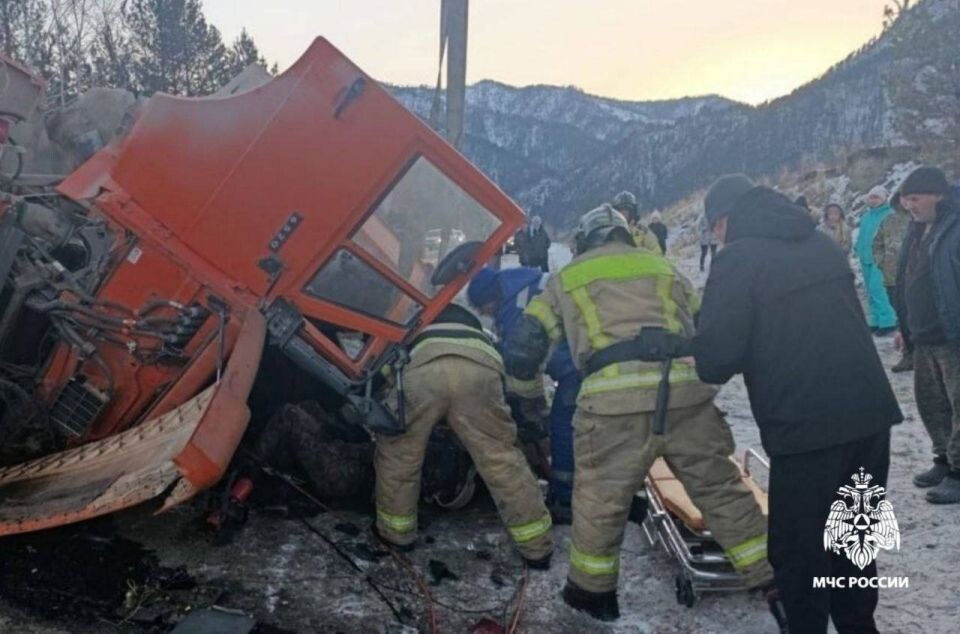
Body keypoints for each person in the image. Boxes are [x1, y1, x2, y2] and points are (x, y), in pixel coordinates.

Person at [503, 204, 775, 622]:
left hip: (612, 406)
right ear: (624, 236)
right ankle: (768, 573)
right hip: (684, 394)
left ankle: (592, 595)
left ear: (584, 241)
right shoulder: (664, 267)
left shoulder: (567, 277)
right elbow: (711, 324)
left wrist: (528, 401)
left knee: (601, 499)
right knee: (719, 487)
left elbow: (525, 346)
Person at [694, 174, 903, 634]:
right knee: (853, 542)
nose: (716, 238)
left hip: (805, 426)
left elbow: (714, 361)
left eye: (714, 228)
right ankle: (858, 627)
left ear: (726, 220)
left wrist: (699, 326)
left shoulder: (738, 260)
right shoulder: (820, 244)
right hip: (869, 416)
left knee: (799, 550)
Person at [373, 304, 554, 567]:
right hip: (478, 373)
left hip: (424, 371)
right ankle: (537, 548)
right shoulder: (482, 338)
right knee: (501, 460)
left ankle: (396, 535)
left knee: (400, 455)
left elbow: (388, 374)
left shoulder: (413, 327)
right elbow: (507, 383)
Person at [467, 266, 579, 521]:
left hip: (578, 364)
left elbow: (523, 367)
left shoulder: (514, 309)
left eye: (483, 308)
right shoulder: (522, 285)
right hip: (586, 354)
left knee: (562, 426)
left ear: (490, 299)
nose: (484, 314)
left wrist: (529, 411)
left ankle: (564, 498)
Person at [894, 166, 960, 504]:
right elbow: (909, 277)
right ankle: (943, 459)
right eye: (905, 200)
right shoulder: (918, 228)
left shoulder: (955, 227)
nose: (909, 206)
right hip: (923, 336)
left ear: (939, 195)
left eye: (915, 199)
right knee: (931, 404)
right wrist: (905, 328)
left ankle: (959, 473)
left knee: (958, 405)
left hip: (953, 335)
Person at [877, 191, 914, 372]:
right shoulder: (888, 220)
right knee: (901, 313)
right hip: (892, 276)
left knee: (916, 314)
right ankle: (908, 353)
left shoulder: (917, 220)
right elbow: (877, 244)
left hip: (914, 277)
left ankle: (917, 353)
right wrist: (881, 262)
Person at [855, 185, 898, 336]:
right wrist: (857, 248)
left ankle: (889, 321)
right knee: (869, 291)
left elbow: (891, 238)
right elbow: (862, 236)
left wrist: (887, 258)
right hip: (865, 258)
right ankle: (875, 321)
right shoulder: (866, 216)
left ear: (884, 198)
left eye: (877, 197)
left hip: (880, 259)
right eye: (871, 197)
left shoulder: (889, 214)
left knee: (878, 290)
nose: (873, 200)